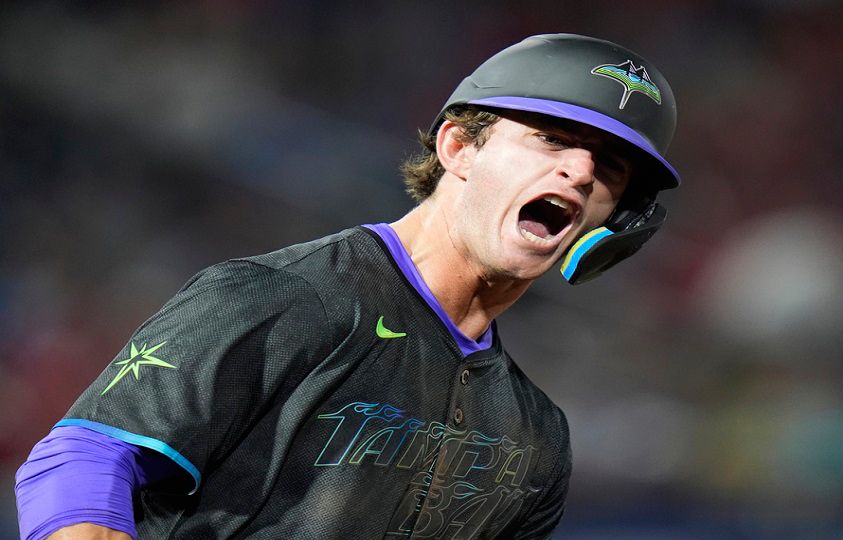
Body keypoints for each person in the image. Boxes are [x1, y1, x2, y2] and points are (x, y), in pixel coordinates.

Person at [15, 33, 680, 539]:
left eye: (611, 167)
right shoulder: (279, 298)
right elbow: (83, 459)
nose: (579, 172)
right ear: (457, 147)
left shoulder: (537, 436)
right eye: (550, 139)